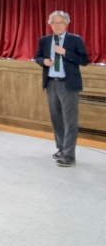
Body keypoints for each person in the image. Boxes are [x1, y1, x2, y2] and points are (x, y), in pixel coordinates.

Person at [35, 10, 89, 167]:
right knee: (56, 118)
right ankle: (61, 148)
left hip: (68, 84)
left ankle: (69, 155)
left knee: (70, 120)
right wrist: (43, 61)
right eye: (54, 23)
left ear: (66, 23)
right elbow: (37, 56)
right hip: (51, 83)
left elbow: (84, 60)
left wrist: (65, 53)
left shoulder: (75, 40)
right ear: (49, 24)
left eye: (61, 22)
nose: (57, 25)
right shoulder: (44, 40)